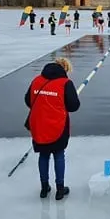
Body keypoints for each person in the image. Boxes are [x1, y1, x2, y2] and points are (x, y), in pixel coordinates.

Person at [26, 57, 81, 199]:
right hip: (58, 126)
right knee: (58, 155)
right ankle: (60, 189)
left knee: (43, 155)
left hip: (38, 125)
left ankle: (44, 188)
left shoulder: (36, 80)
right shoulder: (65, 83)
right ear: (66, 69)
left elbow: (28, 100)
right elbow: (74, 106)